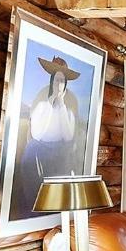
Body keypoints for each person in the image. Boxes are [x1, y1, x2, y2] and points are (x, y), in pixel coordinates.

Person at [13, 55, 84, 220]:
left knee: (63, 167)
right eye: (56, 80)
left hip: (60, 149)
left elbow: (68, 136)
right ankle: (33, 208)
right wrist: (50, 104)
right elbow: (37, 134)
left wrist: (61, 105)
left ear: (66, 84)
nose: (59, 84)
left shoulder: (69, 105)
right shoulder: (42, 102)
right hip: (40, 147)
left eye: (62, 81)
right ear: (52, 81)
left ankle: (55, 211)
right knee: (29, 156)